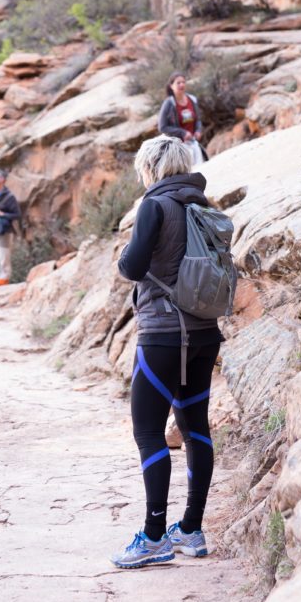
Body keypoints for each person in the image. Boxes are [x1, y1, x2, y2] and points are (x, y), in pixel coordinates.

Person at [110, 135, 222, 569]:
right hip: (204, 333)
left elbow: (133, 268)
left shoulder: (154, 205)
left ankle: (155, 536)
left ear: (151, 167)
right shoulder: (202, 204)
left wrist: (125, 255)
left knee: (148, 433)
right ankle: (191, 529)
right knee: (195, 428)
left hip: (162, 334)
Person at [158, 71, 205, 166]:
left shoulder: (192, 99)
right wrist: (182, 133)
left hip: (193, 143)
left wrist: (198, 130)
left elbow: (198, 120)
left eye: (183, 82)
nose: (181, 85)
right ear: (171, 86)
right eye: (178, 83)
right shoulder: (169, 104)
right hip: (178, 147)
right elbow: (162, 127)